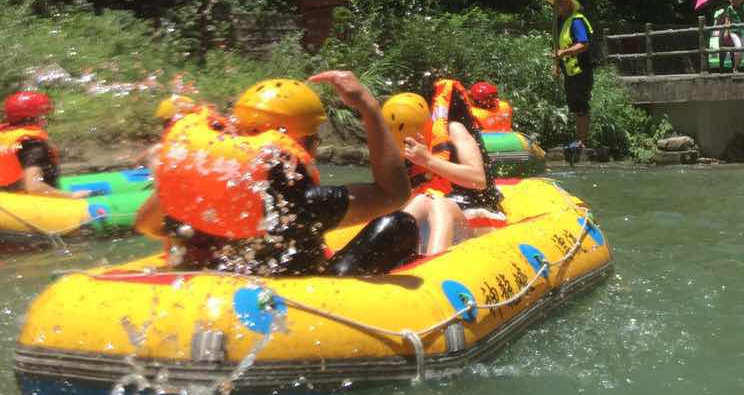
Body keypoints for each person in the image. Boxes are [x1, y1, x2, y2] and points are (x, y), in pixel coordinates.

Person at [136, 73, 416, 276]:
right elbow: (393, 194)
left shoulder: (200, 186)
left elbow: (146, 225)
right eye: (314, 138)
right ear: (303, 143)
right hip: (288, 310)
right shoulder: (299, 202)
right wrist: (369, 107)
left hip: (197, 299)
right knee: (398, 224)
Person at [383, 80, 504, 256]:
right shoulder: (401, 145)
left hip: (475, 212)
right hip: (431, 212)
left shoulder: (455, 129)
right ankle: (368, 261)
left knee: (439, 205)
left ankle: (432, 266)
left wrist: (427, 160)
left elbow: (479, 180)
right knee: (420, 202)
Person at [0, 90, 93, 199]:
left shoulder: (5, 135)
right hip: (31, 205)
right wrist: (72, 196)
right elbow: (34, 187)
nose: (45, 120)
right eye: (43, 115)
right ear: (35, 117)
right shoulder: (32, 144)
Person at [545, 0, 594, 147]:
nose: (557, 6)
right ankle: (580, 139)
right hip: (570, 71)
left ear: (568, 4)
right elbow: (560, 47)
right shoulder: (559, 23)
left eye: (561, 3)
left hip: (581, 70)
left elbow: (583, 44)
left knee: (580, 104)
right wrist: (557, 64)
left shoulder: (576, 20)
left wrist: (562, 54)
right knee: (574, 104)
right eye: (556, 3)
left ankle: (582, 141)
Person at [714, 0, 744, 72]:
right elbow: (726, 20)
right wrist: (726, 30)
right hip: (731, 30)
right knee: (727, 50)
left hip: (741, 30)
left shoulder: (743, 8)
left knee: (738, 50)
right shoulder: (726, 8)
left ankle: (735, 67)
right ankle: (725, 68)